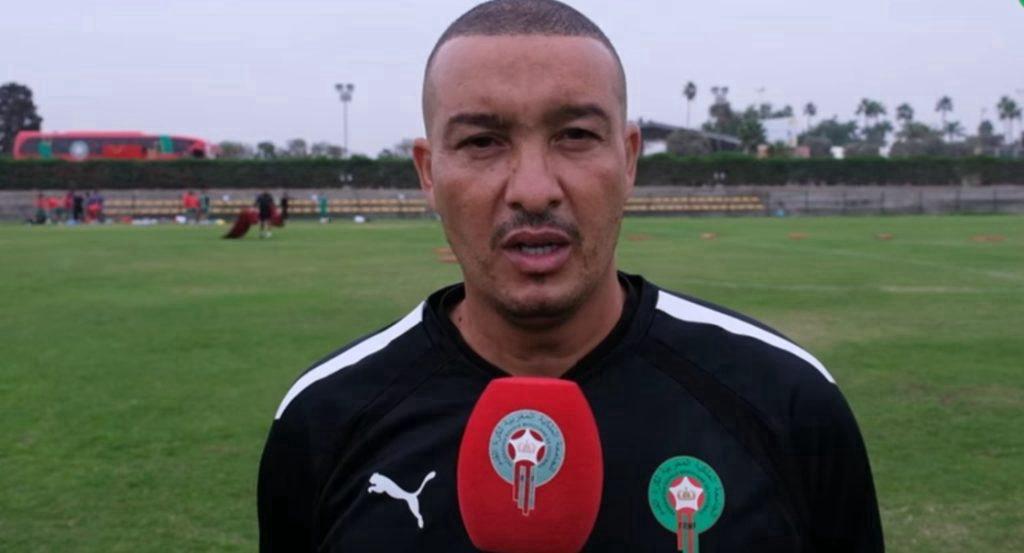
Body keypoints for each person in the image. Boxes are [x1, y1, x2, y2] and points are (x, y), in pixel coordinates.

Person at [257, 2, 883, 552]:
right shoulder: (323, 418)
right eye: (482, 142)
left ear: (628, 159)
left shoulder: (787, 399)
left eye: (576, 135)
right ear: (428, 172)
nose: (533, 190)